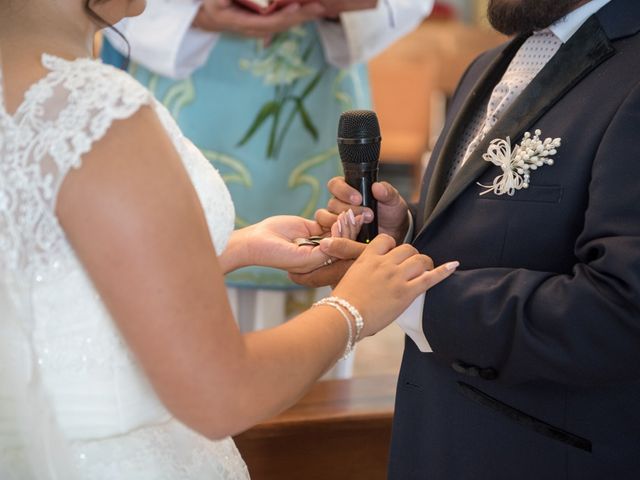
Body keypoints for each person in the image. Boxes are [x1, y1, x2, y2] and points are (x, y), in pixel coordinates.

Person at [0, 0, 457, 478]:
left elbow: (46, 274)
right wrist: (354, 307)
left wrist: (235, 247)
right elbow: (221, 395)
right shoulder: (95, 114)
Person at [293, 0, 640, 477]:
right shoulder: (489, 64)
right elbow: (492, 225)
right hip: (439, 433)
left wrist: (411, 295)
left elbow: (620, 312)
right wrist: (404, 232)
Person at [99, 0, 434, 358]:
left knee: (325, 255)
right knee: (172, 296)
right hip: (185, 74)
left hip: (313, 74)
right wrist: (190, 14)